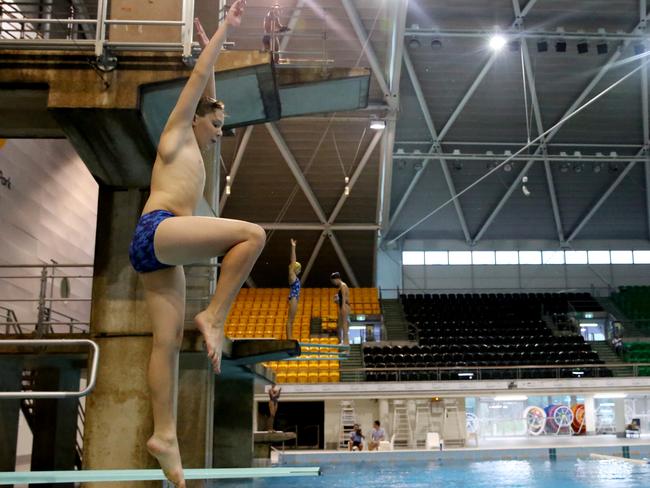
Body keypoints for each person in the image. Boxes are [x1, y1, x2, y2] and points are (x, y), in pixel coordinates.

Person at [128, 3, 265, 487]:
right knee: (253, 235)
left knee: (164, 344)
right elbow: (202, 81)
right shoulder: (176, 133)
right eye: (217, 125)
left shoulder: (198, 153)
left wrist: (212, 75)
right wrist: (226, 29)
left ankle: (164, 436)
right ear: (197, 120)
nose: (218, 133)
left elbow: (210, 92)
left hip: (159, 247)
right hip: (157, 229)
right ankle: (214, 315)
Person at [286, 238, 301, 340]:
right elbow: (293, 262)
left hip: (295, 297)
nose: (300, 270)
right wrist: (293, 247)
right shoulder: (292, 276)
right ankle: (289, 338)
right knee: (290, 320)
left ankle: (290, 337)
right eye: (299, 268)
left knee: (292, 320)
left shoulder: (295, 277)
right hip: (293, 297)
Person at [330, 272, 350, 345]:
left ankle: (345, 342)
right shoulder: (341, 287)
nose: (334, 283)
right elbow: (342, 298)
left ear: (337, 279)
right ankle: (345, 341)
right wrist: (337, 300)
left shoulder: (343, 285)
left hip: (345, 306)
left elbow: (344, 297)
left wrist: (343, 307)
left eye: (333, 281)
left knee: (344, 325)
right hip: (343, 305)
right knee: (342, 325)